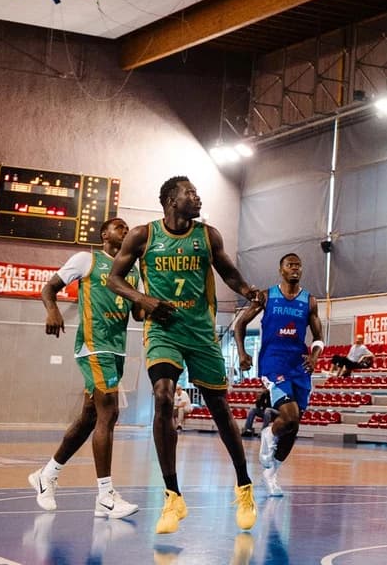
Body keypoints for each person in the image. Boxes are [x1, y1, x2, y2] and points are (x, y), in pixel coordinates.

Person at [107, 176, 262, 534]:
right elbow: (114, 279)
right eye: (190, 193)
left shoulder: (208, 236)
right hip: (163, 330)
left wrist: (248, 290)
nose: (198, 198)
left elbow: (229, 272)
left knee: (220, 409)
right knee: (163, 396)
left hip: (201, 332)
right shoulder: (143, 236)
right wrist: (143, 300)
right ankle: (172, 496)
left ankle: (244, 485)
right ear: (171, 201)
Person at [29, 217, 142, 519]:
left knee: (89, 418)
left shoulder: (132, 270)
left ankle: (46, 475)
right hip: (94, 346)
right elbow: (49, 288)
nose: (125, 231)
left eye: (127, 228)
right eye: (119, 227)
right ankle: (105, 495)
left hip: (117, 349)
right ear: (105, 234)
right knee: (110, 412)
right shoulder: (86, 259)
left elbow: (139, 313)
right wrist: (52, 310)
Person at [233, 252, 324, 498]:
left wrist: (314, 356)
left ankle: (272, 473)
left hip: (299, 366)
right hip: (273, 363)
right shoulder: (267, 296)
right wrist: (242, 352)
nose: (295, 268)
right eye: (290, 265)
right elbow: (240, 324)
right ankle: (269, 433)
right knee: (289, 415)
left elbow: (318, 338)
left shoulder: (310, 301)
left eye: (298, 265)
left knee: (293, 426)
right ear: (280, 270)